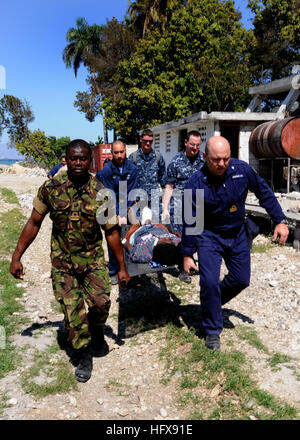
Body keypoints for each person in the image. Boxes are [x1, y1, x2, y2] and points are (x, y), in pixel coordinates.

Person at [10, 139, 130, 383]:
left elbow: (111, 232)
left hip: (93, 261)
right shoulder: (51, 188)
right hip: (63, 263)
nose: (78, 162)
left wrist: (123, 267)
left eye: (83, 158)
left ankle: (96, 330)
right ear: (66, 159)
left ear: (90, 160)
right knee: (73, 312)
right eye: (73, 158)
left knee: (101, 303)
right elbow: (34, 223)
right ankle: (83, 353)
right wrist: (16, 256)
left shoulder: (100, 191)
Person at [182, 136, 289, 351]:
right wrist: (186, 254)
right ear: (205, 157)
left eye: (226, 158)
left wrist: (279, 220)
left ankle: (210, 303)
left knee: (241, 279)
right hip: (209, 236)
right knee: (209, 282)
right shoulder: (194, 184)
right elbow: (191, 222)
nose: (222, 164)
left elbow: (264, 193)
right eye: (216, 160)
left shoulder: (242, 170)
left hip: (237, 232)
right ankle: (212, 330)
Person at [162, 130, 205, 283]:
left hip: (199, 204)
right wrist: (165, 208)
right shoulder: (176, 162)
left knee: (199, 236)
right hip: (179, 205)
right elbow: (169, 186)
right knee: (181, 238)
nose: (194, 148)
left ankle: (202, 266)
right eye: (192, 144)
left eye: (198, 145)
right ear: (186, 142)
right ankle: (183, 269)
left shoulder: (204, 160)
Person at [95, 140, 138, 285]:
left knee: (133, 232)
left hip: (128, 203)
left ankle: (132, 267)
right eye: (116, 152)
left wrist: (125, 213)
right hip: (110, 204)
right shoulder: (107, 170)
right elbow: (109, 195)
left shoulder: (132, 169)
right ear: (111, 153)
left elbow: (131, 192)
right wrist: (117, 215)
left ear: (125, 151)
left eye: (122, 152)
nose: (119, 155)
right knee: (112, 232)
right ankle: (114, 270)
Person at [128, 128, 167, 222]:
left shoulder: (158, 157)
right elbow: (128, 180)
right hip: (138, 200)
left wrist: (166, 202)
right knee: (138, 227)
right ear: (141, 139)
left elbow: (163, 179)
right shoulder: (133, 157)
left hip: (155, 199)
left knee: (156, 227)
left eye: (150, 141)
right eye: (146, 141)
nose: (148, 144)